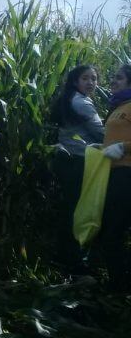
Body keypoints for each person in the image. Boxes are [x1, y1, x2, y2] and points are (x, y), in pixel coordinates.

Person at [50, 65, 104, 272]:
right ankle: (73, 261)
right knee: (77, 211)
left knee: (69, 209)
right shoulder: (81, 102)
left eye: (94, 78)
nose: (91, 82)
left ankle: (63, 256)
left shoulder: (70, 99)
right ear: (75, 81)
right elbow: (100, 134)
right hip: (78, 162)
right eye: (85, 78)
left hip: (67, 160)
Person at [99, 64, 131, 291]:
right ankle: (118, 282)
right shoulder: (118, 106)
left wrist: (124, 147)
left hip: (127, 173)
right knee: (112, 229)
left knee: (114, 230)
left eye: (118, 78)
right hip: (114, 173)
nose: (113, 81)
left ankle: (119, 286)